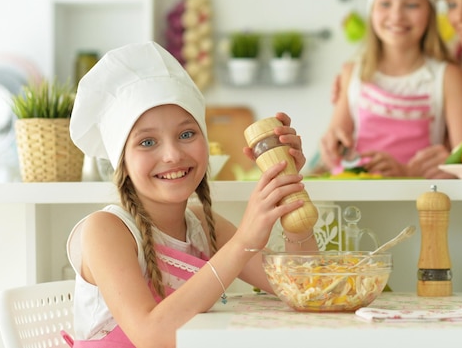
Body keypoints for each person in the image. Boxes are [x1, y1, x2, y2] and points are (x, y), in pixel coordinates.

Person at [65, 41, 317, 348]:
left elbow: (303, 288)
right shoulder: (107, 230)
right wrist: (244, 242)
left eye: (186, 134)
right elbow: (151, 335)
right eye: (147, 142)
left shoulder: (201, 226)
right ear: (123, 162)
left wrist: (292, 199)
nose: (172, 155)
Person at [319, 0, 462, 179]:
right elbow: (334, 149)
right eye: (384, 3)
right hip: (356, 204)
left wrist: (407, 172)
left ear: (430, 12)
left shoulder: (448, 78)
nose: (396, 16)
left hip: (420, 203)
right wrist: (330, 148)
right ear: (372, 10)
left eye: (412, 4)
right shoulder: (353, 73)